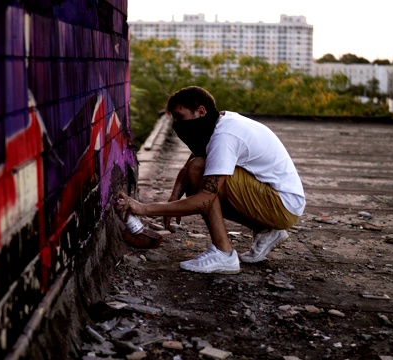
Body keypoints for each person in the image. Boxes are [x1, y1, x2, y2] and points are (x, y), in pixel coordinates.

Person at [115, 86, 305, 274]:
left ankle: (224, 254)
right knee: (197, 171)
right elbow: (190, 162)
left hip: (281, 205)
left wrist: (144, 208)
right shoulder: (218, 122)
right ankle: (266, 230)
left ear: (201, 111)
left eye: (180, 116)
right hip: (281, 201)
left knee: (200, 174)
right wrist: (174, 197)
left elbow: (204, 197)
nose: (177, 124)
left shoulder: (225, 136)